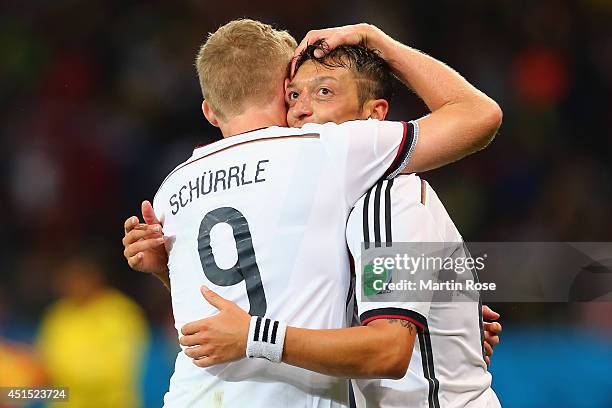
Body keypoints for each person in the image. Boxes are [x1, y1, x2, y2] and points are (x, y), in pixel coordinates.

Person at [122, 20, 501, 407]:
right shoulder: (326, 152)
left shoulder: (170, 189)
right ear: (280, 95)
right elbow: (477, 116)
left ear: (210, 111)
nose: (303, 108)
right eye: (295, 94)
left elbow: (247, 304)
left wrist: (439, 314)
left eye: (323, 92)